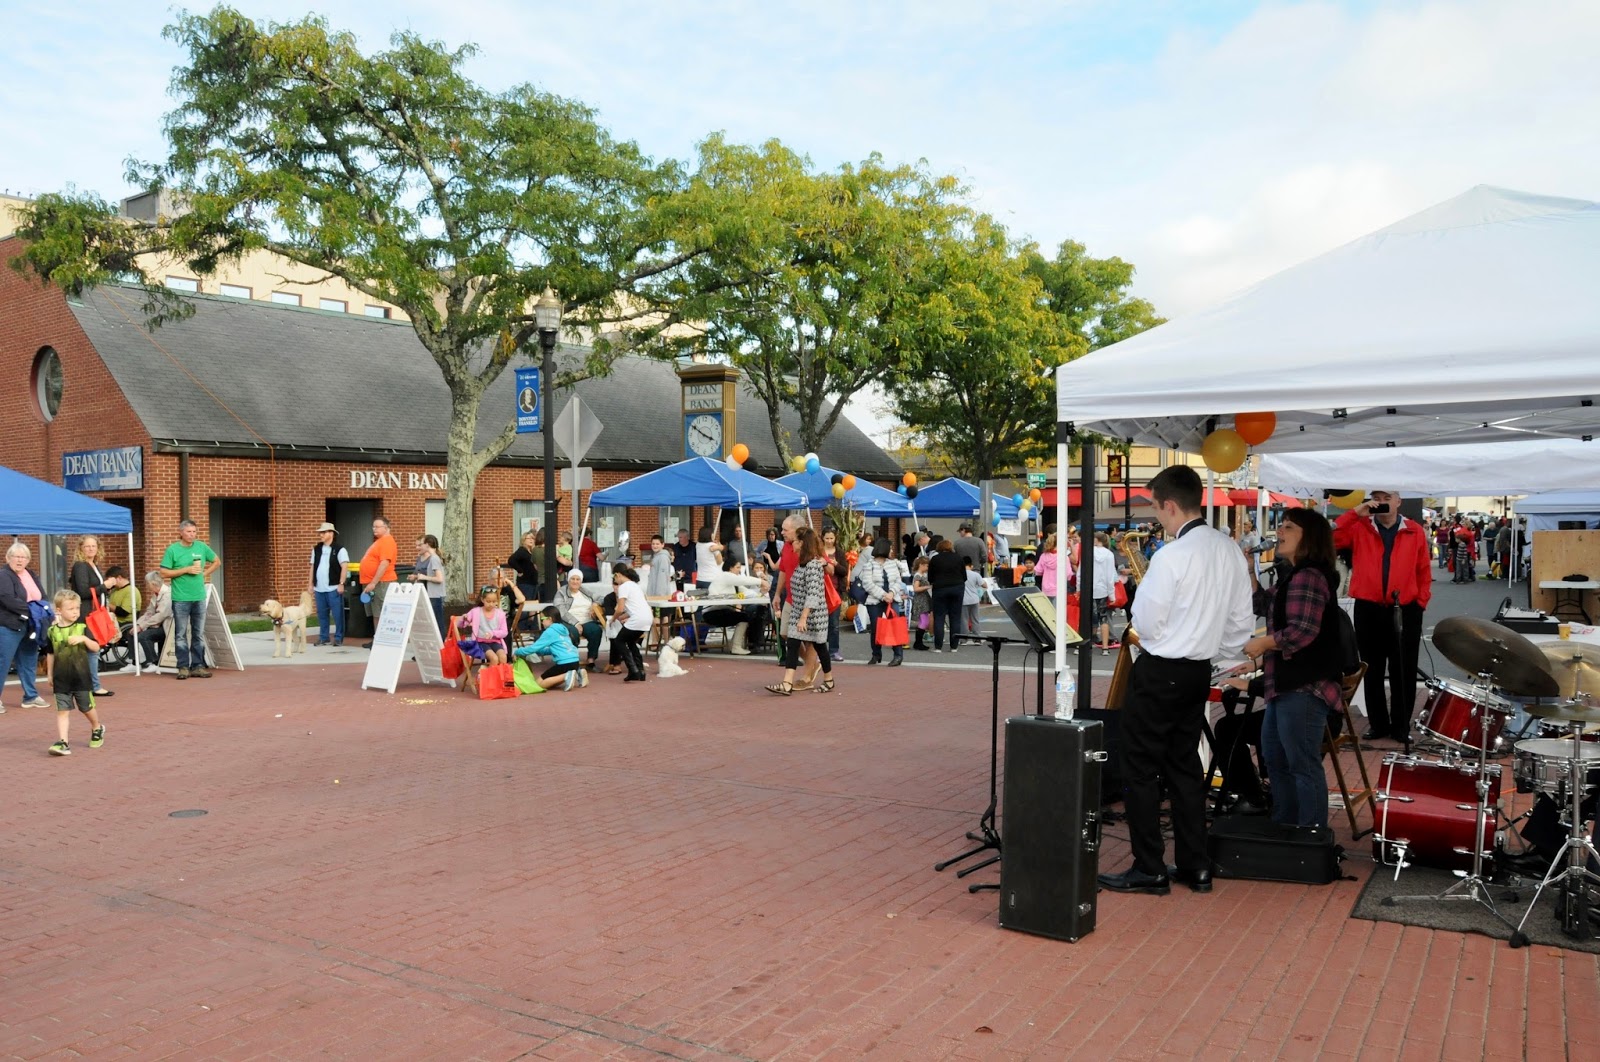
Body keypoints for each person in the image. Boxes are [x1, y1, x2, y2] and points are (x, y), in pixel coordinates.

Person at [1097, 465, 1254, 897]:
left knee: (1139, 768)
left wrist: (1166, 639)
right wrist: (1212, 651)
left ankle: (1149, 867)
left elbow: (1146, 621)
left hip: (1162, 669)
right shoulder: (1229, 549)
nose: (1157, 516)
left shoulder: (1171, 555)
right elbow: (1241, 623)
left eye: (1155, 507)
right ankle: (1194, 864)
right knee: (1184, 766)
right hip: (1197, 671)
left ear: (1169, 505)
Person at [1226, 509, 1344, 829]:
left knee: (1300, 764)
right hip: (1286, 684)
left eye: (1289, 527)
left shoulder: (1309, 576)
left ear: (1309, 538)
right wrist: (1249, 572)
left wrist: (1263, 644)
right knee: (1276, 760)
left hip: (1305, 686)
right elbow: (1263, 605)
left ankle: (1310, 833)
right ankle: (1286, 827)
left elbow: (1302, 630)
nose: (1279, 531)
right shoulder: (1294, 575)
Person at [1334, 489, 1432, 745]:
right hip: (1369, 607)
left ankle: (1401, 726)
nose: (1382, 503)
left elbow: (1423, 569)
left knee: (1404, 669)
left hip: (1405, 607)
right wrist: (1355, 513)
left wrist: (1420, 601)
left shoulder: (1414, 530)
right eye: (1377, 498)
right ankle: (1378, 724)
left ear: (1399, 501)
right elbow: (1332, 538)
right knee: (1372, 668)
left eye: (1387, 498)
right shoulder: (1360, 527)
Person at [767, 527, 834, 695]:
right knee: (792, 643)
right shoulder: (801, 564)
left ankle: (829, 679)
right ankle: (787, 683)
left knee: (820, 646)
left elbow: (813, 594)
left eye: (795, 541)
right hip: (798, 610)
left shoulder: (813, 565)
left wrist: (804, 617)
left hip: (814, 615)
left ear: (802, 543)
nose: (793, 544)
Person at [44, 590, 106, 756]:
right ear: (59, 610)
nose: (75, 612)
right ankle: (63, 742)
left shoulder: (82, 628)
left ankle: (97, 727)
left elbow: (96, 647)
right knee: (62, 711)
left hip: (81, 677)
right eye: (70, 609)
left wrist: (84, 639)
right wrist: (49, 674)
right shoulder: (52, 631)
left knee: (86, 707)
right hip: (61, 678)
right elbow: (50, 653)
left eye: (77, 608)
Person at [160, 519, 220, 679]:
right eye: (188, 532)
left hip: (199, 596)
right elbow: (163, 572)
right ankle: (183, 667)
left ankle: (198, 666)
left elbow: (216, 561)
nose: (192, 535)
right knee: (180, 634)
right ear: (181, 532)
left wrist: (204, 574)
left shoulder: (201, 546)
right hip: (180, 598)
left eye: (194, 531)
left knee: (198, 633)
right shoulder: (173, 550)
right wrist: (186, 569)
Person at [0, 542, 51, 711]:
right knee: (3, 663)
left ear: (28, 560)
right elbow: (7, 599)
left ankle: (31, 696)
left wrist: (43, 609)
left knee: (29, 661)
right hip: (9, 626)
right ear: (8, 558)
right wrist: (33, 610)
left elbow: (42, 596)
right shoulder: (4, 575)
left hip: (31, 625)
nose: (20, 560)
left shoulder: (31, 574)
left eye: (23, 557)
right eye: (16, 556)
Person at [68, 535, 114, 695]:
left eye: (93, 546)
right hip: (86, 613)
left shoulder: (93, 565)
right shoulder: (81, 566)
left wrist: (106, 588)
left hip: (93, 611)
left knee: (90, 649)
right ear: (81, 548)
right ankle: (94, 686)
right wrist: (104, 586)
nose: (91, 549)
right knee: (92, 649)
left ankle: (84, 684)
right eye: (87, 546)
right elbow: (83, 592)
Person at [514, 606, 590, 690]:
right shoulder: (563, 629)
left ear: (549, 619)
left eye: (542, 619)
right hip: (575, 662)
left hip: (564, 663)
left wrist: (518, 651)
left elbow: (533, 648)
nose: (542, 622)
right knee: (552, 682)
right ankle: (577, 673)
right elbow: (557, 649)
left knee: (538, 684)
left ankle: (567, 675)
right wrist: (540, 652)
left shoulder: (550, 631)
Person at [856, 538, 906, 666]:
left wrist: (892, 593)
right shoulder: (869, 565)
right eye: (890, 548)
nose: (892, 551)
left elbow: (898, 581)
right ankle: (876, 654)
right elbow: (868, 584)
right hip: (875, 600)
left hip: (892, 598)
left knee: (895, 626)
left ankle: (898, 655)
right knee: (876, 627)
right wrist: (883, 595)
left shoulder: (893, 564)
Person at [703, 558, 767, 655]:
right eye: (737, 567)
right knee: (744, 617)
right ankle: (735, 647)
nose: (739, 570)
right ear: (730, 568)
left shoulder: (734, 582)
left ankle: (734, 645)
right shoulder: (725, 576)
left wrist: (761, 592)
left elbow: (747, 592)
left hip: (723, 611)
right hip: (712, 613)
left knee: (744, 616)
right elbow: (744, 580)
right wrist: (761, 581)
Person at [455, 586, 508, 692]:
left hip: (495, 641)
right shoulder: (476, 611)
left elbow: (504, 632)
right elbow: (461, 624)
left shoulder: (500, 614)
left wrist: (493, 633)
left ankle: (500, 682)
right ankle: (489, 684)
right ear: (483, 600)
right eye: (488, 601)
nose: (491, 604)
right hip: (480, 642)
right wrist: (463, 618)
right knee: (494, 658)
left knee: (503, 657)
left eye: (494, 602)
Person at [357, 516, 398, 649]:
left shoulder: (387, 541)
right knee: (376, 612)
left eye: (377, 526)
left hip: (381, 583)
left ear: (386, 527)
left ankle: (384, 640)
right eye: (373, 527)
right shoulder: (379, 542)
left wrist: (373, 582)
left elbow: (384, 563)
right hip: (372, 582)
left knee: (382, 611)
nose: (374, 529)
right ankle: (378, 638)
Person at [309, 521, 350, 647]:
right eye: (320, 532)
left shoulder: (340, 549)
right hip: (319, 588)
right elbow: (312, 567)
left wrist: (341, 583)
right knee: (322, 614)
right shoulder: (316, 549)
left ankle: (338, 638)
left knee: (337, 615)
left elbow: (344, 567)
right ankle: (324, 637)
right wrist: (310, 584)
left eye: (323, 532)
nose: (321, 535)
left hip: (333, 587)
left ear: (331, 533)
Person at [610, 566, 653, 682]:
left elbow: (620, 609)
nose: (615, 580)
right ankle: (641, 671)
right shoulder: (635, 585)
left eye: (614, 577)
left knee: (619, 641)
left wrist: (613, 618)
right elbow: (633, 608)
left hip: (637, 619)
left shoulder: (623, 587)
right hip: (647, 618)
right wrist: (622, 617)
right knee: (630, 641)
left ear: (618, 575)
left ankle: (633, 670)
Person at [554, 570, 604, 669]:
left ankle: (591, 660)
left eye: (578, 579)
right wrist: (576, 623)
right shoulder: (561, 592)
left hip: (586, 620)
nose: (575, 582)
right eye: (572, 579)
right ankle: (572, 660)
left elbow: (601, 598)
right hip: (568, 622)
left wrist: (595, 604)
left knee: (596, 630)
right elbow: (560, 610)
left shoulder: (584, 591)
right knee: (573, 632)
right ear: (568, 580)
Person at [927, 540, 965, 653]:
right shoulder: (958, 558)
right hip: (957, 588)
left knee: (939, 617)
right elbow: (964, 576)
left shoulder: (935, 559)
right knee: (955, 617)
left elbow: (930, 577)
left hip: (940, 589)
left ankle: (938, 646)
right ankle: (954, 646)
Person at [133, 571, 171, 674]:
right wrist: (138, 624)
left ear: (153, 583)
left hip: (167, 626)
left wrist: (142, 626)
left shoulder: (167, 594)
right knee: (133, 632)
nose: (147, 585)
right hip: (157, 625)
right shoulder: (155, 594)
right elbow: (149, 612)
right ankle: (134, 662)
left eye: (148, 583)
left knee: (143, 636)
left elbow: (160, 615)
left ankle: (153, 662)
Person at [409, 535, 446, 634]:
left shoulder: (434, 559)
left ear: (427, 545)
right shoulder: (434, 558)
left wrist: (423, 577)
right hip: (432, 594)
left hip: (435, 595)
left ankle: (441, 643)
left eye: (422, 544)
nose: (420, 547)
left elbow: (439, 579)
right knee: (434, 623)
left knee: (438, 623)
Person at [1091, 532, 1121, 651]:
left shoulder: (1089, 552)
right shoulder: (1109, 554)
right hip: (1103, 589)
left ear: (1097, 540)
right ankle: (1105, 647)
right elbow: (1110, 576)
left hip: (1089, 588)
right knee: (1103, 617)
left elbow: (1081, 572)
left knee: (1087, 617)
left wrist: (1079, 588)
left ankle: (1085, 644)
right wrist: (1112, 594)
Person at [821, 528, 846, 661]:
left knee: (834, 624)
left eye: (832, 538)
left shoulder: (839, 553)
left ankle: (834, 650)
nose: (829, 541)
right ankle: (820, 652)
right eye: (827, 538)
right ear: (822, 538)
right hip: (821, 591)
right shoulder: (819, 552)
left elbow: (844, 571)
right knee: (820, 623)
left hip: (835, 591)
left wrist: (836, 564)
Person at [505, 530, 540, 603]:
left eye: (532, 538)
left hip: (533, 582)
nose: (531, 540)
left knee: (533, 603)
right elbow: (511, 560)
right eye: (529, 538)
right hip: (525, 583)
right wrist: (520, 570)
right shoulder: (522, 551)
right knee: (526, 602)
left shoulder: (531, 552)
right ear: (523, 540)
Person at [908, 555, 933, 651]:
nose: (928, 568)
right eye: (927, 566)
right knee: (924, 621)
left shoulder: (921, 575)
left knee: (924, 620)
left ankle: (918, 642)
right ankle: (918, 642)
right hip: (920, 600)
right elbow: (916, 588)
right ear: (921, 565)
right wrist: (927, 587)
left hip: (923, 600)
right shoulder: (918, 576)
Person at [1035, 533, 1068, 602]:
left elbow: (1038, 571)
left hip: (1046, 589)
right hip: (1059, 588)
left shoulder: (1044, 556)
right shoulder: (1063, 557)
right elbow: (1068, 573)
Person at [694, 527, 724, 591]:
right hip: (711, 578)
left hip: (700, 579)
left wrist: (719, 547)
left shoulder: (698, 545)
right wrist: (719, 547)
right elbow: (719, 561)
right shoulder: (712, 545)